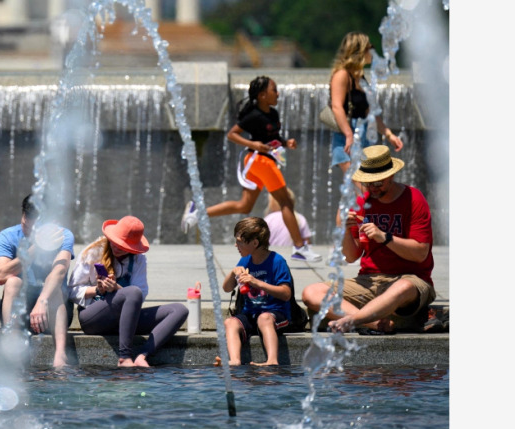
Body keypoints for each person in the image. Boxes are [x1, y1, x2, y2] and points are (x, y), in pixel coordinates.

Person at [181, 75, 322, 263]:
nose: (278, 93)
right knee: (286, 202)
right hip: (259, 161)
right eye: (274, 90)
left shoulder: (273, 113)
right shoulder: (253, 115)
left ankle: (198, 211)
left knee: (245, 205)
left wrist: (286, 143)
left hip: (260, 161)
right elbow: (232, 135)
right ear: (263, 95)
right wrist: (254, 144)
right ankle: (299, 247)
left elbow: (272, 137)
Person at [301, 146, 434, 335]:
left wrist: (385, 237)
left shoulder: (413, 199)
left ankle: (352, 320)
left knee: (402, 288)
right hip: (369, 280)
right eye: (368, 183)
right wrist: (345, 230)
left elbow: (420, 253)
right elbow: (351, 257)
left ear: (391, 176)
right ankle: (374, 323)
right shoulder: (362, 203)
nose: (372, 188)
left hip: (410, 279)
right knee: (311, 292)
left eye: (377, 183)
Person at [68, 216, 188, 367]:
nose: (117, 247)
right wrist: (98, 289)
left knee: (179, 310)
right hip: (94, 318)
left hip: (125, 321)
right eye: (116, 242)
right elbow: (71, 290)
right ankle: (124, 357)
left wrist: (117, 289)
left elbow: (140, 295)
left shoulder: (138, 260)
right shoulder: (92, 253)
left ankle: (143, 355)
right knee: (133, 292)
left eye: (123, 246)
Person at [0, 194, 74, 368]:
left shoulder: (62, 236)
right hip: (18, 309)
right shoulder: (8, 235)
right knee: (12, 282)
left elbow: (59, 271)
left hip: (52, 310)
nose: (28, 232)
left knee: (55, 289)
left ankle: (60, 354)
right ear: (22, 215)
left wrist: (42, 301)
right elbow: (0, 276)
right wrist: (36, 249)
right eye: (25, 225)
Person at [329, 32, 404, 177]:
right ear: (360, 50)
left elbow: (370, 113)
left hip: (362, 137)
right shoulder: (342, 75)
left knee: (366, 189)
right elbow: (336, 106)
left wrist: (389, 135)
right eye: (370, 47)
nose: (372, 51)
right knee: (359, 186)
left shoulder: (360, 77)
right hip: (345, 139)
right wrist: (348, 134)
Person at [221, 217, 295, 366]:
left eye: (240, 241)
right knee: (230, 322)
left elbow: (286, 293)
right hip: (250, 314)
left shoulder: (276, 261)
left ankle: (272, 360)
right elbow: (227, 288)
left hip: (276, 315)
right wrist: (233, 273)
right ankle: (235, 360)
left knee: (264, 318)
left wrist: (256, 282)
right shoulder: (245, 261)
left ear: (254, 243)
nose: (236, 245)